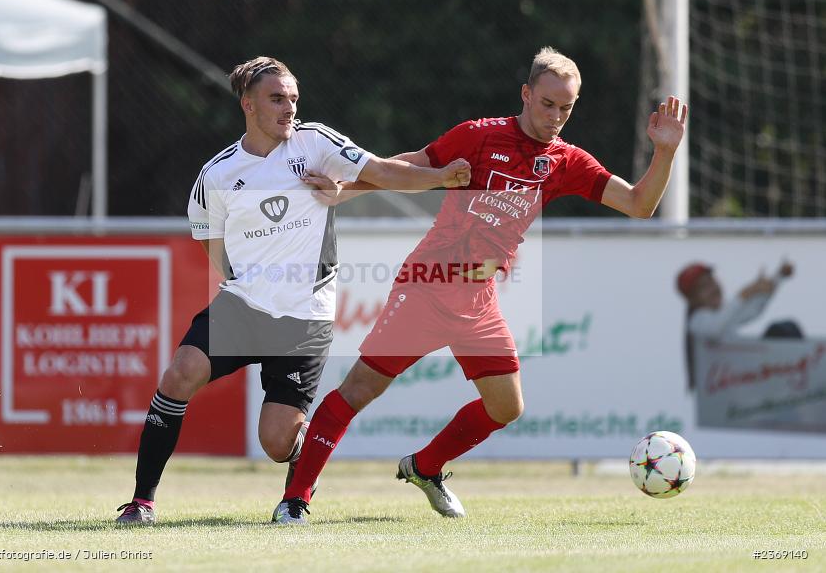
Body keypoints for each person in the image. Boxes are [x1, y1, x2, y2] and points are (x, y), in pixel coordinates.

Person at [272, 46, 688, 524]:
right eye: (548, 104)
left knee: (506, 406)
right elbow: (412, 162)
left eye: (566, 108)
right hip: (428, 285)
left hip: (478, 299)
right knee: (360, 389)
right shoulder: (479, 135)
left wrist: (665, 152)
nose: (556, 117)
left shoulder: (565, 161)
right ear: (527, 94)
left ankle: (425, 468)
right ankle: (295, 500)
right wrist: (347, 188)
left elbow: (639, 204)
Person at [115, 56, 471, 524]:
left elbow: (382, 170)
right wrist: (247, 280)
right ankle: (142, 502)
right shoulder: (218, 175)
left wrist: (438, 179)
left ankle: (300, 464)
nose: (289, 108)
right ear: (248, 105)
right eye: (277, 99)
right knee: (180, 373)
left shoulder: (314, 142)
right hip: (245, 306)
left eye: (294, 99)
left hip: (306, 317)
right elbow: (208, 239)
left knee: (276, 442)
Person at [677, 260, 799, 391]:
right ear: (692, 299)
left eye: (712, 281)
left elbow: (753, 310)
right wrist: (747, 292)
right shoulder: (697, 321)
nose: (713, 288)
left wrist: (778, 277)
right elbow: (715, 328)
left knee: (783, 329)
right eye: (704, 287)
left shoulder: (720, 315)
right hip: (721, 397)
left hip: (738, 389)